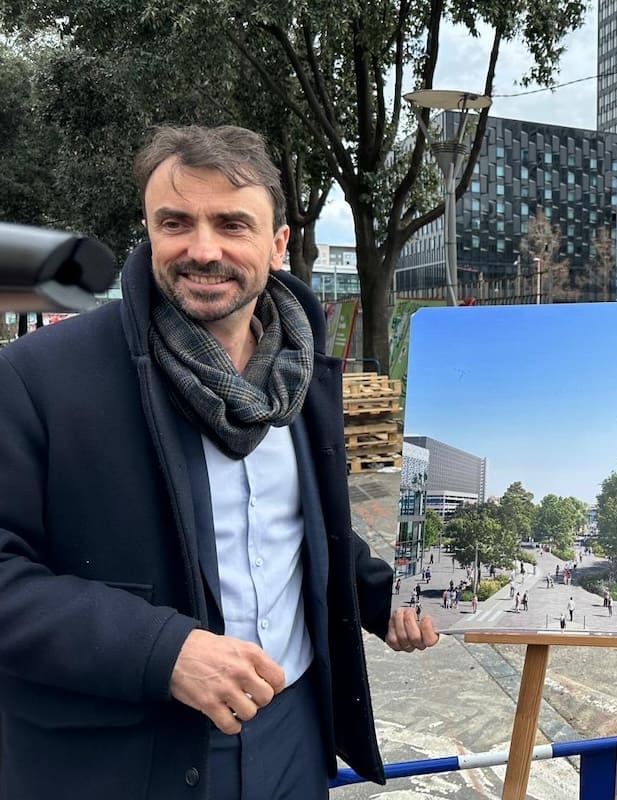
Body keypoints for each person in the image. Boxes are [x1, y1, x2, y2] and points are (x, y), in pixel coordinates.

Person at [0, 125, 440, 798]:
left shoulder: (301, 375)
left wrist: (383, 599)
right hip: (122, 756)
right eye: (175, 223)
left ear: (278, 243)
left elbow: (298, 532)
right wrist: (162, 651)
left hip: (293, 736)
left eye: (232, 224)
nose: (203, 250)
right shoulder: (38, 378)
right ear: (149, 232)